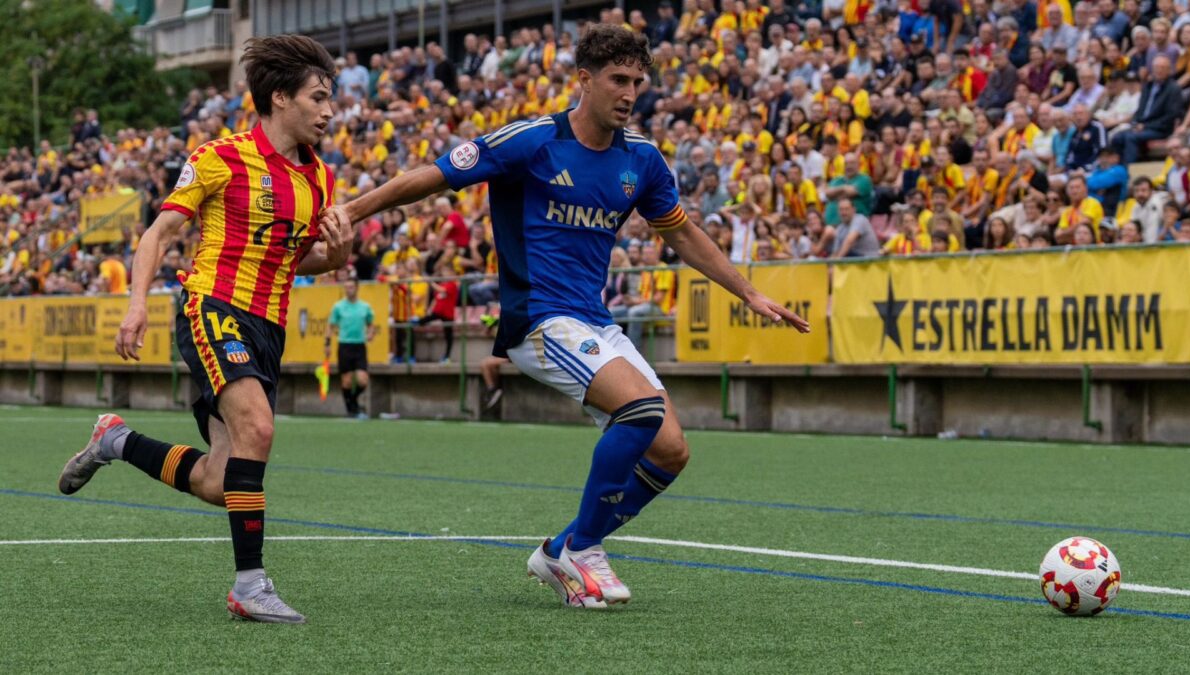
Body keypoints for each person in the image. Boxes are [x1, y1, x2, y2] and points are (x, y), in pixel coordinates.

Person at [320, 25, 808, 609]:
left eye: (638, 82)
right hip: (538, 321)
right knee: (641, 409)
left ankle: (565, 547)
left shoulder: (643, 160)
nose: (630, 93)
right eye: (618, 80)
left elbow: (681, 232)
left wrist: (747, 293)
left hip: (594, 322)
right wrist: (352, 208)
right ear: (584, 80)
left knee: (671, 449)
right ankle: (582, 548)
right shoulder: (533, 140)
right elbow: (431, 176)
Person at [56, 35, 352, 624]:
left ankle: (115, 439)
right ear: (279, 97)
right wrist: (137, 304)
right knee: (259, 430)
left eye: (331, 99)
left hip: (267, 327)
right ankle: (250, 585)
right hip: (214, 307)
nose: (329, 111)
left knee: (221, 480)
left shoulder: (320, 178)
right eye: (318, 98)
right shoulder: (220, 156)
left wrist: (336, 258)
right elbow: (159, 233)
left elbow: (294, 260)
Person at [325, 277, 377, 419]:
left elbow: (371, 323)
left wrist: (371, 333)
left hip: (359, 345)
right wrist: (327, 344)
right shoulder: (338, 307)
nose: (348, 290)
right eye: (346, 287)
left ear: (357, 287)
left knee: (362, 380)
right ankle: (351, 409)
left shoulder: (364, 307)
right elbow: (330, 326)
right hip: (345, 345)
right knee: (347, 381)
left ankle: (353, 402)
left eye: (351, 287)